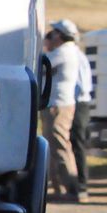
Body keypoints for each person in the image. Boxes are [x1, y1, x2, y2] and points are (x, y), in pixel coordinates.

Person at [42, 20, 83, 202]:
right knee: (55, 146)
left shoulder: (63, 52)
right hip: (59, 103)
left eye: (52, 33)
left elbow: (41, 66)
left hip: (57, 105)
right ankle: (59, 187)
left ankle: (71, 188)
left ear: (59, 35)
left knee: (59, 146)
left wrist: (45, 46)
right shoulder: (70, 51)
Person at [63, 19, 94, 202]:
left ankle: (81, 185)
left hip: (78, 103)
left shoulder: (74, 56)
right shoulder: (76, 54)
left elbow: (81, 86)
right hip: (79, 102)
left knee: (78, 143)